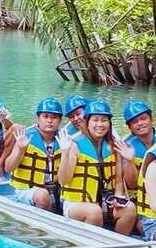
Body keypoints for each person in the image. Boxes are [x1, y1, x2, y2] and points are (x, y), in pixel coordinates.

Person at [57, 99, 136, 233]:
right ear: (87, 122)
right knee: (94, 212)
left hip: (105, 203)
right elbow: (63, 180)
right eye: (95, 120)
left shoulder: (113, 146)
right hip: (76, 204)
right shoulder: (75, 145)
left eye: (104, 120)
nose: (100, 124)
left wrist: (118, 197)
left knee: (130, 208)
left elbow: (118, 182)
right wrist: (65, 152)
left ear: (109, 123)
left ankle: (116, 247)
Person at [5, 98, 64, 212]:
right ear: (38, 118)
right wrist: (20, 149)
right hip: (27, 190)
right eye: (45, 116)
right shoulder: (25, 137)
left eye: (54, 117)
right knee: (42, 195)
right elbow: (8, 168)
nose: (50, 121)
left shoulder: (64, 140)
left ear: (60, 120)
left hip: (56, 190)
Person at [120, 100, 156, 195]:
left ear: (151, 119)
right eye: (134, 121)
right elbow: (132, 185)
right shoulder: (125, 145)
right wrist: (129, 161)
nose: (140, 123)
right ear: (129, 127)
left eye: (143, 119)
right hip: (138, 194)